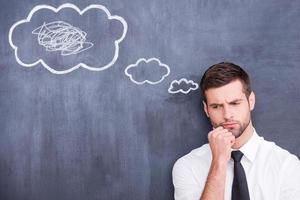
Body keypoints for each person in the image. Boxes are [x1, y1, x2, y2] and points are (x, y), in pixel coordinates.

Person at [172, 62, 300, 200]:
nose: (227, 115)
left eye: (234, 103)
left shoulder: (286, 165)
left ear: (251, 101)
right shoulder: (188, 166)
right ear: (206, 109)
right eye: (216, 106)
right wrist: (219, 162)